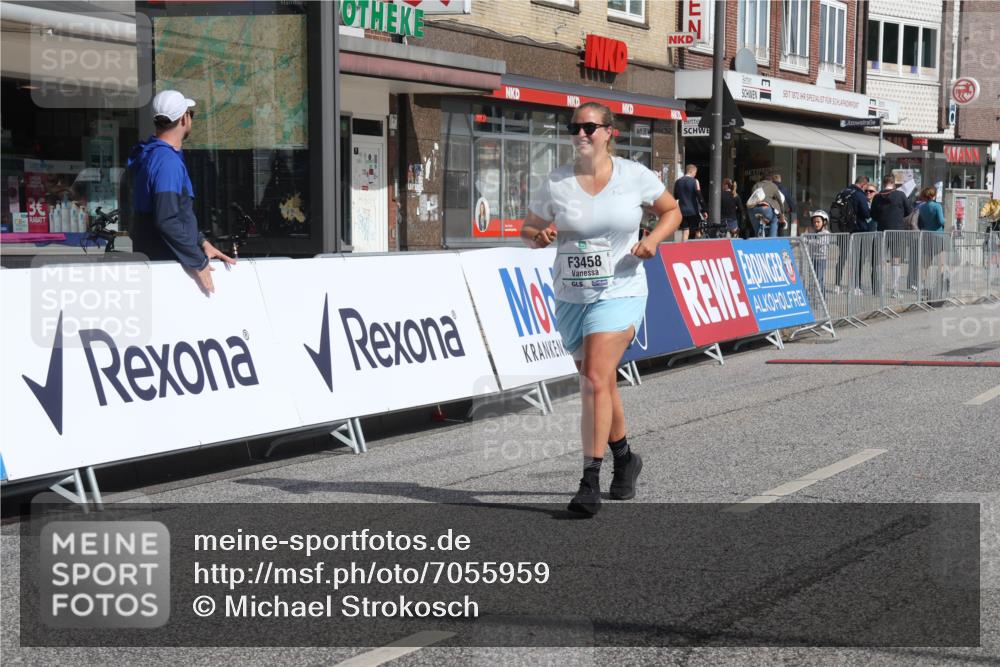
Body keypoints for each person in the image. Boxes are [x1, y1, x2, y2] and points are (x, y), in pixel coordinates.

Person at [521, 101, 682, 516]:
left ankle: (589, 479)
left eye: (590, 127)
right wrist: (540, 236)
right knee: (602, 383)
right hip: (571, 295)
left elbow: (672, 211)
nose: (581, 134)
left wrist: (653, 241)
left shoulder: (634, 176)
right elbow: (529, 227)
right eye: (574, 127)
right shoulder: (557, 181)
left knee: (593, 378)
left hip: (621, 289)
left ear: (610, 132)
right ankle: (626, 458)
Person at [128, 90, 235, 293]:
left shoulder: (151, 154)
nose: (190, 119)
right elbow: (167, 219)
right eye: (190, 114)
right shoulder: (167, 162)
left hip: (157, 264)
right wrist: (199, 261)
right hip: (169, 267)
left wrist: (201, 242)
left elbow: (176, 213)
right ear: (183, 119)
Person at [871, 175, 913, 297]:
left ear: (883, 183)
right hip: (897, 230)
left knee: (880, 260)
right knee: (896, 259)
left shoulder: (877, 197)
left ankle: (881, 288)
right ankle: (895, 290)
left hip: (881, 231)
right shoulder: (900, 195)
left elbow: (872, 214)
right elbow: (909, 211)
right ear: (893, 183)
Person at [832, 177, 873, 294]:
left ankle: (837, 285)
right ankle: (855, 286)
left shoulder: (842, 192)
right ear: (863, 184)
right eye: (866, 187)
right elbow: (866, 214)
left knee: (842, 257)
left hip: (842, 230)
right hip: (857, 230)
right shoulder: (859, 195)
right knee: (857, 259)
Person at [673, 164, 706, 241]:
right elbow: (699, 197)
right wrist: (704, 210)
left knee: (685, 231)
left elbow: (675, 197)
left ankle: (683, 251)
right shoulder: (695, 181)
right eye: (695, 173)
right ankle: (698, 249)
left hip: (682, 211)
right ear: (691, 171)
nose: (695, 175)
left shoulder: (677, 182)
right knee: (697, 231)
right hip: (693, 211)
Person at [803, 210, 831, 289]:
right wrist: (806, 233)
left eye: (818, 222)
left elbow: (819, 242)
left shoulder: (826, 233)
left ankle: (821, 297)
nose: (816, 224)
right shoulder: (811, 231)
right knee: (812, 278)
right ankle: (814, 297)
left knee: (818, 278)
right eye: (814, 222)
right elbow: (803, 237)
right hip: (812, 258)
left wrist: (808, 241)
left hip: (821, 259)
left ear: (824, 222)